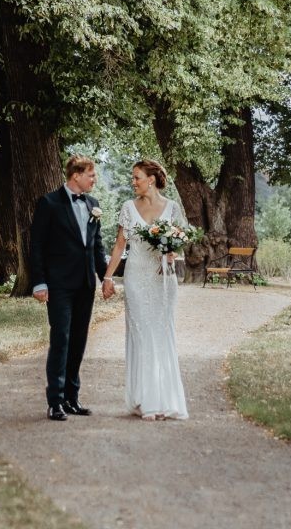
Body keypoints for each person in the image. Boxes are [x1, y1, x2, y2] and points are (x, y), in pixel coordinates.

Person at [102, 159, 189, 420]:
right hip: (136, 277)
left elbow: (183, 241)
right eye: (133, 177)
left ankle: (165, 401)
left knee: (162, 336)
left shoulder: (172, 208)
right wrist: (108, 277)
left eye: (137, 177)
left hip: (163, 279)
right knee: (141, 336)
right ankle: (145, 400)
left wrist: (173, 252)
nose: (133, 181)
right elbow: (119, 246)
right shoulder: (128, 208)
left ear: (150, 179)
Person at [30, 155, 108, 421]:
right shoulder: (49, 203)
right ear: (76, 175)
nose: (94, 179)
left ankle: (72, 398)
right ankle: (55, 401)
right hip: (59, 285)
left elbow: (96, 247)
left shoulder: (93, 205)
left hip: (86, 284)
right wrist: (39, 282)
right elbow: (36, 246)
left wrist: (105, 278)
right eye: (91, 174)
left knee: (79, 340)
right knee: (61, 339)